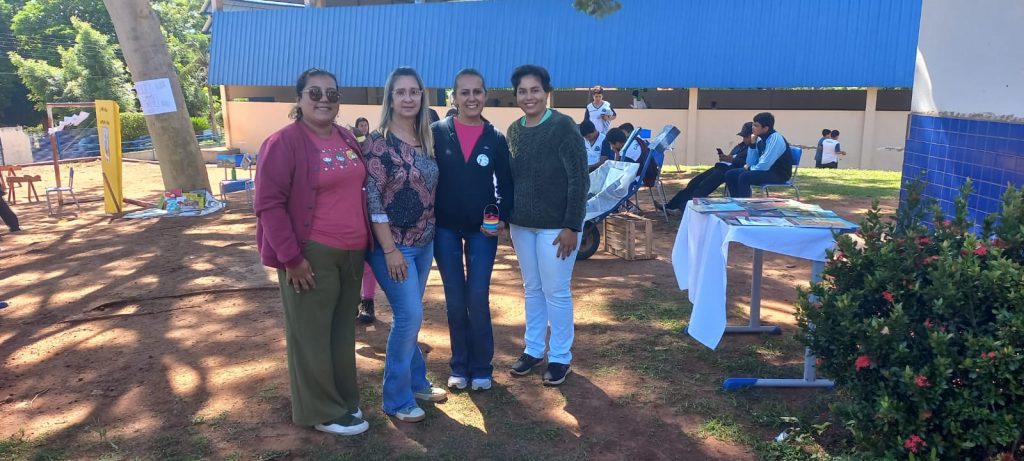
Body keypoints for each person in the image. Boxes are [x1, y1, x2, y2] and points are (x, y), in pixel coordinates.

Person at [254, 68, 370, 436]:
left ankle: (344, 400)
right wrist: (291, 258)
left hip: (352, 254)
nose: (324, 100)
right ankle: (321, 410)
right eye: (314, 93)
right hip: (310, 254)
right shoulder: (283, 142)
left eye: (332, 94)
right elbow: (269, 205)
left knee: (340, 332)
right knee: (311, 335)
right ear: (299, 98)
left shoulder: (346, 137)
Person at [363, 67, 446, 423]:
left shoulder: (426, 138)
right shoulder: (377, 142)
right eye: (401, 92)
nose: (409, 98)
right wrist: (390, 249)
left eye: (414, 92)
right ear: (391, 98)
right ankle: (395, 399)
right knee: (409, 316)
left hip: (425, 243)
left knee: (409, 318)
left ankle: (416, 380)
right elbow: (373, 201)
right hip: (392, 246)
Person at [431, 68, 514, 393]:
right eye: (464, 92)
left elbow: (506, 185)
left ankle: (482, 368)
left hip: (483, 231)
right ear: (454, 96)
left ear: (485, 94)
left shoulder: (495, 139)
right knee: (454, 300)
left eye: (476, 91)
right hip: (445, 228)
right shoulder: (436, 132)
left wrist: (502, 217)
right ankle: (459, 366)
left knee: (477, 297)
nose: (471, 98)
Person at [506, 65, 589, 386]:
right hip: (522, 226)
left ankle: (560, 357)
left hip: (557, 228)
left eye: (535, 90)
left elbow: (579, 179)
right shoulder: (514, 130)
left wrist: (572, 225)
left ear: (546, 92)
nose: (529, 97)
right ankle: (533, 349)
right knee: (532, 289)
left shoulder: (564, 127)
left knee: (556, 291)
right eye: (522, 91)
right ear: (516, 96)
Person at [657, 122, 755, 213]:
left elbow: (748, 164)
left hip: (731, 171)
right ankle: (670, 206)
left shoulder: (754, 148)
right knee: (694, 182)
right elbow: (730, 156)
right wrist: (724, 157)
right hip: (721, 167)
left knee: (704, 186)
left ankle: (685, 208)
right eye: (743, 136)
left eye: (746, 137)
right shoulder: (740, 146)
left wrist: (732, 160)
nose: (744, 139)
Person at [724, 112, 793, 198]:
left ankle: (745, 204)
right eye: (753, 125)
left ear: (765, 128)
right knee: (730, 174)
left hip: (778, 173)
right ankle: (736, 202)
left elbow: (765, 164)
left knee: (744, 176)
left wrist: (749, 168)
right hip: (765, 170)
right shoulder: (759, 138)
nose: (753, 128)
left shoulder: (775, 139)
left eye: (756, 125)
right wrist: (752, 144)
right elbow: (751, 162)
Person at [354, 116, 378, 323]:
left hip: (369, 217)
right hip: (348, 218)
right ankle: (352, 301)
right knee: (351, 261)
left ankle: (368, 301)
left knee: (369, 263)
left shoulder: (375, 151)